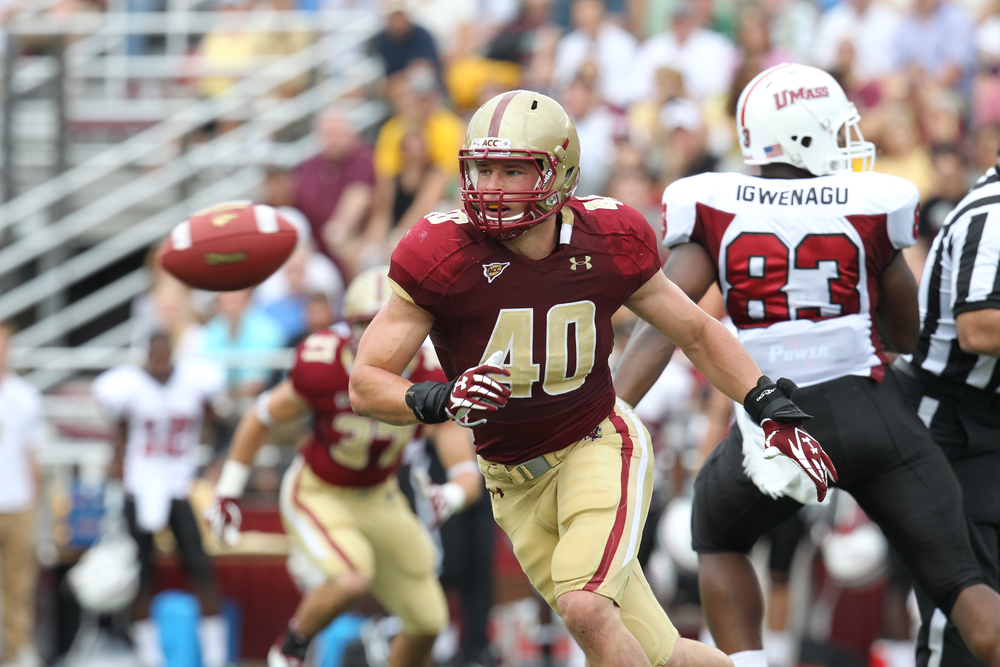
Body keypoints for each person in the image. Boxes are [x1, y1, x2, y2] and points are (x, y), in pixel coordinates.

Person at [347, 89, 838, 667]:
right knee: (660, 652)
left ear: (562, 174)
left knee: (586, 607)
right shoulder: (441, 253)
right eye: (483, 168)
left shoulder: (609, 240)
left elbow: (696, 330)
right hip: (511, 482)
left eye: (513, 170)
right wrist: (441, 397)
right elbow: (366, 382)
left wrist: (764, 402)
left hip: (594, 445)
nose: (493, 186)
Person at [614, 63, 1000, 667]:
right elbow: (906, 330)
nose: (849, 142)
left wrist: (607, 414)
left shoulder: (715, 203)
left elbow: (666, 322)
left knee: (717, 537)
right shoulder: (870, 203)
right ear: (801, 135)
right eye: (836, 128)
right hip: (873, 410)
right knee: (966, 588)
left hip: (776, 420)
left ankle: (749, 662)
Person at [205, 266, 482, 667]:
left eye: (385, 322)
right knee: (352, 577)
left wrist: (450, 495)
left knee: (427, 621)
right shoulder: (324, 362)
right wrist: (228, 488)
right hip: (320, 491)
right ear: (346, 326)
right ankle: (289, 650)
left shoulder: (429, 370)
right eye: (364, 324)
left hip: (381, 496)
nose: (377, 335)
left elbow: (464, 468)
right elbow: (262, 415)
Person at [895, 147, 1000, 667]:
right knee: (963, 602)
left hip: (985, 418)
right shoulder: (992, 213)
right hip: (954, 420)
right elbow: (979, 325)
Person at [91, 332, 229, 667]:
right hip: (141, 483)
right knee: (141, 573)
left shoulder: (193, 384)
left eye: (164, 354)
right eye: (154, 354)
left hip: (179, 484)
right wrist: (117, 461)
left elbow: (223, 427)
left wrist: (214, 461)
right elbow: (122, 428)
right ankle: (148, 656)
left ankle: (215, 656)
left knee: (199, 567)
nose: (160, 361)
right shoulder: (131, 386)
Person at [0, 324, 44, 667]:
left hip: (16, 502)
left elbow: (33, 456)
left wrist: (35, 505)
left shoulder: (25, 396)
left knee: (19, 585)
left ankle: (17, 651)